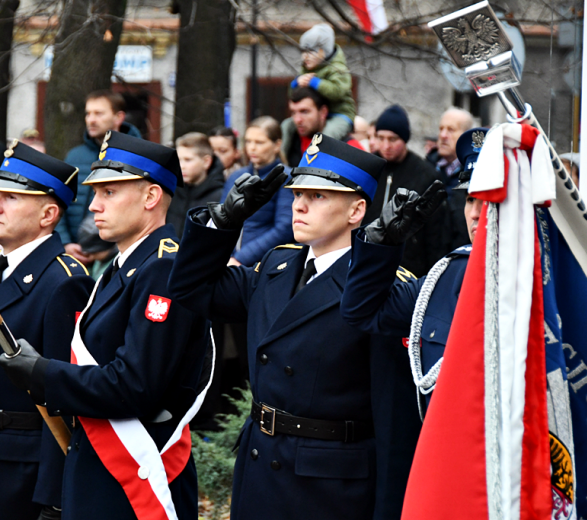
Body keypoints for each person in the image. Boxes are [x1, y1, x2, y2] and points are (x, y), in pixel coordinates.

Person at [168, 134, 427, 520]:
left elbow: (394, 419)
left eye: (318, 196)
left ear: (356, 211)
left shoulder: (381, 290)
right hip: (260, 466)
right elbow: (190, 289)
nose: (299, 205)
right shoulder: (277, 266)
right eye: (296, 194)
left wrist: (389, 509)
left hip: (330, 485)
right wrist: (224, 221)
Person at [0, 131, 212, 520]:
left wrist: (42, 373)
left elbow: (135, 385)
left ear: (150, 197)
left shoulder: (163, 268)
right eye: (95, 193)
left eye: (109, 192)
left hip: (135, 476)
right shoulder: (123, 267)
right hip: (100, 471)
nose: (93, 205)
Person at [0, 142, 94, 520]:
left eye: (10, 197)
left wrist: (54, 501)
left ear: (48, 214)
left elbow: (63, 403)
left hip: (12, 475)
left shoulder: (63, 282)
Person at [340, 128, 488, 415]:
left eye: (488, 197)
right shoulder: (449, 275)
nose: (475, 212)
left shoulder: (547, 279)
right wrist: (383, 244)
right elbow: (362, 311)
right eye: (470, 199)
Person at [57, 90, 142, 264]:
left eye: (99, 113)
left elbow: (144, 211)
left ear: (119, 117)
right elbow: (58, 201)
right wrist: (65, 243)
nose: (91, 120)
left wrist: (111, 250)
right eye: (88, 113)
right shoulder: (75, 156)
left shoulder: (139, 156)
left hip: (119, 257)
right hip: (73, 255)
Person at [369, 104, 449, 276]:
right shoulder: (368, 167)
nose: (386, 145)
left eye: (392, 139)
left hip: (407, 268)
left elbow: (434, 233)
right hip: (367, 259)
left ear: (404, 139)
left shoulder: (425, 174)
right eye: (381, 138)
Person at [223, 116, 293, 267]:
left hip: (262, 263)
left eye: (259, 142)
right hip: (226, 261)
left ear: (277, 145)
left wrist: (242, 258)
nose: (252, 148)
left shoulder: (285, 177)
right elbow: (220, 220)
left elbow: (285, 227)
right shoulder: (235, 176)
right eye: (248, 141)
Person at [284, 23, 356, 142]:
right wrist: (296, 84)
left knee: (327, 136)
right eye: (303, 51)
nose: (305, 57)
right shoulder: (306, 69)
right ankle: (283, 157)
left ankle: (321, 159)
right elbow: (294, 97)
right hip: (317, 116)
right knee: (286, 127)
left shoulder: (338, 68)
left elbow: (337, 91)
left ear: (325, 50)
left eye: (311, 51)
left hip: (339, 114)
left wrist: (315, 83)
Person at [281, 88, 363, 167]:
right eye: (293, 112)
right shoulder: (289, 142)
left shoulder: (349, 147)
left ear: (323, 112)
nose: (297, 119)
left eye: (304, 112)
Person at [167, 132, 225, 238]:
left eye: (188, 160)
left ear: (206, 162)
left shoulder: (220, 196)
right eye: (179, 159)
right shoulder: (171, 189)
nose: (181, 166)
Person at [433, 107, 474, 250]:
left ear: (466, 136)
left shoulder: (475, 173)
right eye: (441, 129)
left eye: (451, 130)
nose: (443, 135)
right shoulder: (426, 169)